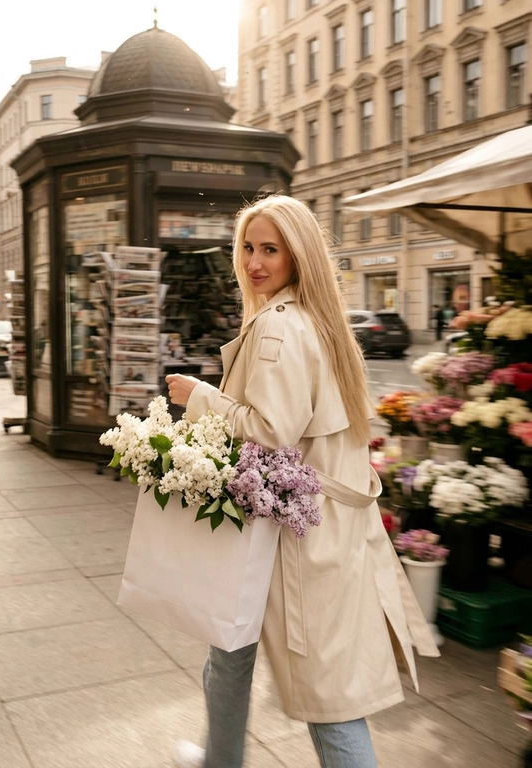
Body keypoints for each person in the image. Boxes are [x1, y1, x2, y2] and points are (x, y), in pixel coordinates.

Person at [166, 195, 438, 768]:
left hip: (297, 536)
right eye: (248, 247)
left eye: (271, 249)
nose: (255, 262)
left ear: (299, 256)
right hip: (308, 525)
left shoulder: (280, 329)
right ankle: (220, 759)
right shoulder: (312, 320)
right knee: (231, 653)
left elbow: (269, 433)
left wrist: (200, 398)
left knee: (329, 703)